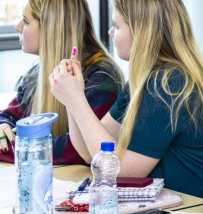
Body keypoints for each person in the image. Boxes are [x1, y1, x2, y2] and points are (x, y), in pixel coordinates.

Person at [49, 0, 203, 198]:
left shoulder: (168, 84)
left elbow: (120, 172)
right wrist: (72, 98)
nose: (111, 32)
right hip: (176, 207)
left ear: (142, 32)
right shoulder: (143, 80)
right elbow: (88, 153)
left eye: (117, 26)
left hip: (201, 212)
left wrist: (77, 100)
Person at [0, 0, 122, 165]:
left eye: (26, 21)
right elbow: (11, 115)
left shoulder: (101, 78)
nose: (18, 27)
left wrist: (14, 147)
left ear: (52, 29)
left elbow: (77, 150)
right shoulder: (39, 72)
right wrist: (3, 126)